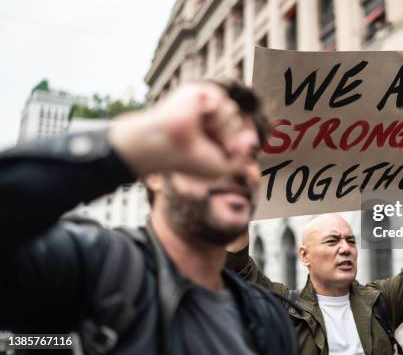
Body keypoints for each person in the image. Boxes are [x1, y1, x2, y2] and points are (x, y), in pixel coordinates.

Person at [0, 81, 298, 355]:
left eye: (251, 155)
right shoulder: (93, 267)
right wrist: (129, 145)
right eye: (216, 148)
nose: (238, 167)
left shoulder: (268, 317)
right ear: (154, 173)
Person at [226, 155, 403, 355]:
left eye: (351, 241)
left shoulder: (382, 300)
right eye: (332, 241)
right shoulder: (285, 308)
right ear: (304, 256)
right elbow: (236, 267)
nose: (345, 248)